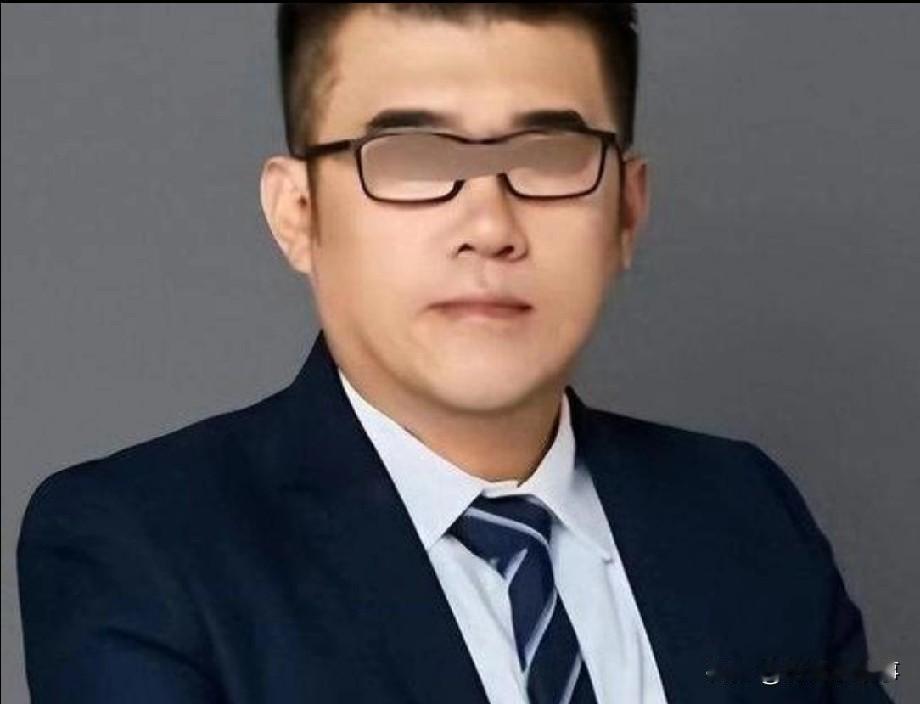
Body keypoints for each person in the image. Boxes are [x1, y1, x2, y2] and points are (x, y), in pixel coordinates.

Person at [17, 4, 894, 703]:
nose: (489, 225)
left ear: (627, 211)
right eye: (411, 156)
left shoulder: (746, 511)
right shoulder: (142, 547)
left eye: (550, 154)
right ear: (297, 213)